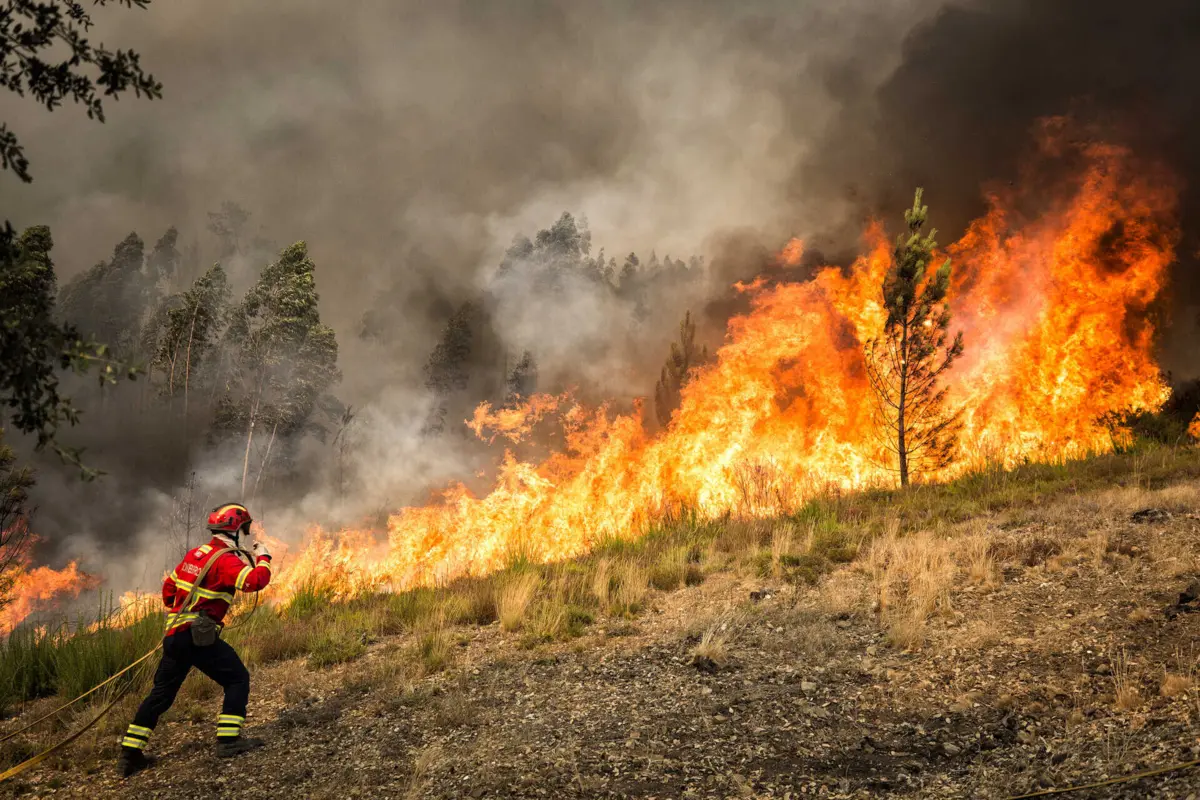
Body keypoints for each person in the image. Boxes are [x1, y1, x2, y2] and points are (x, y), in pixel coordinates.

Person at [117, 503, 273, 778]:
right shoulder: (226, 559)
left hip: (175, 637)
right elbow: (254, 582)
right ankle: (228, 741)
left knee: (161, 695)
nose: (246, 534)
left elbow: (168, 589)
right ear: (235, 528)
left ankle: (130, 755)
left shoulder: (196, 554)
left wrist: (182, 610)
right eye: (244, 528)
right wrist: (264, 557)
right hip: (197, 638)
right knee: (237, 678)